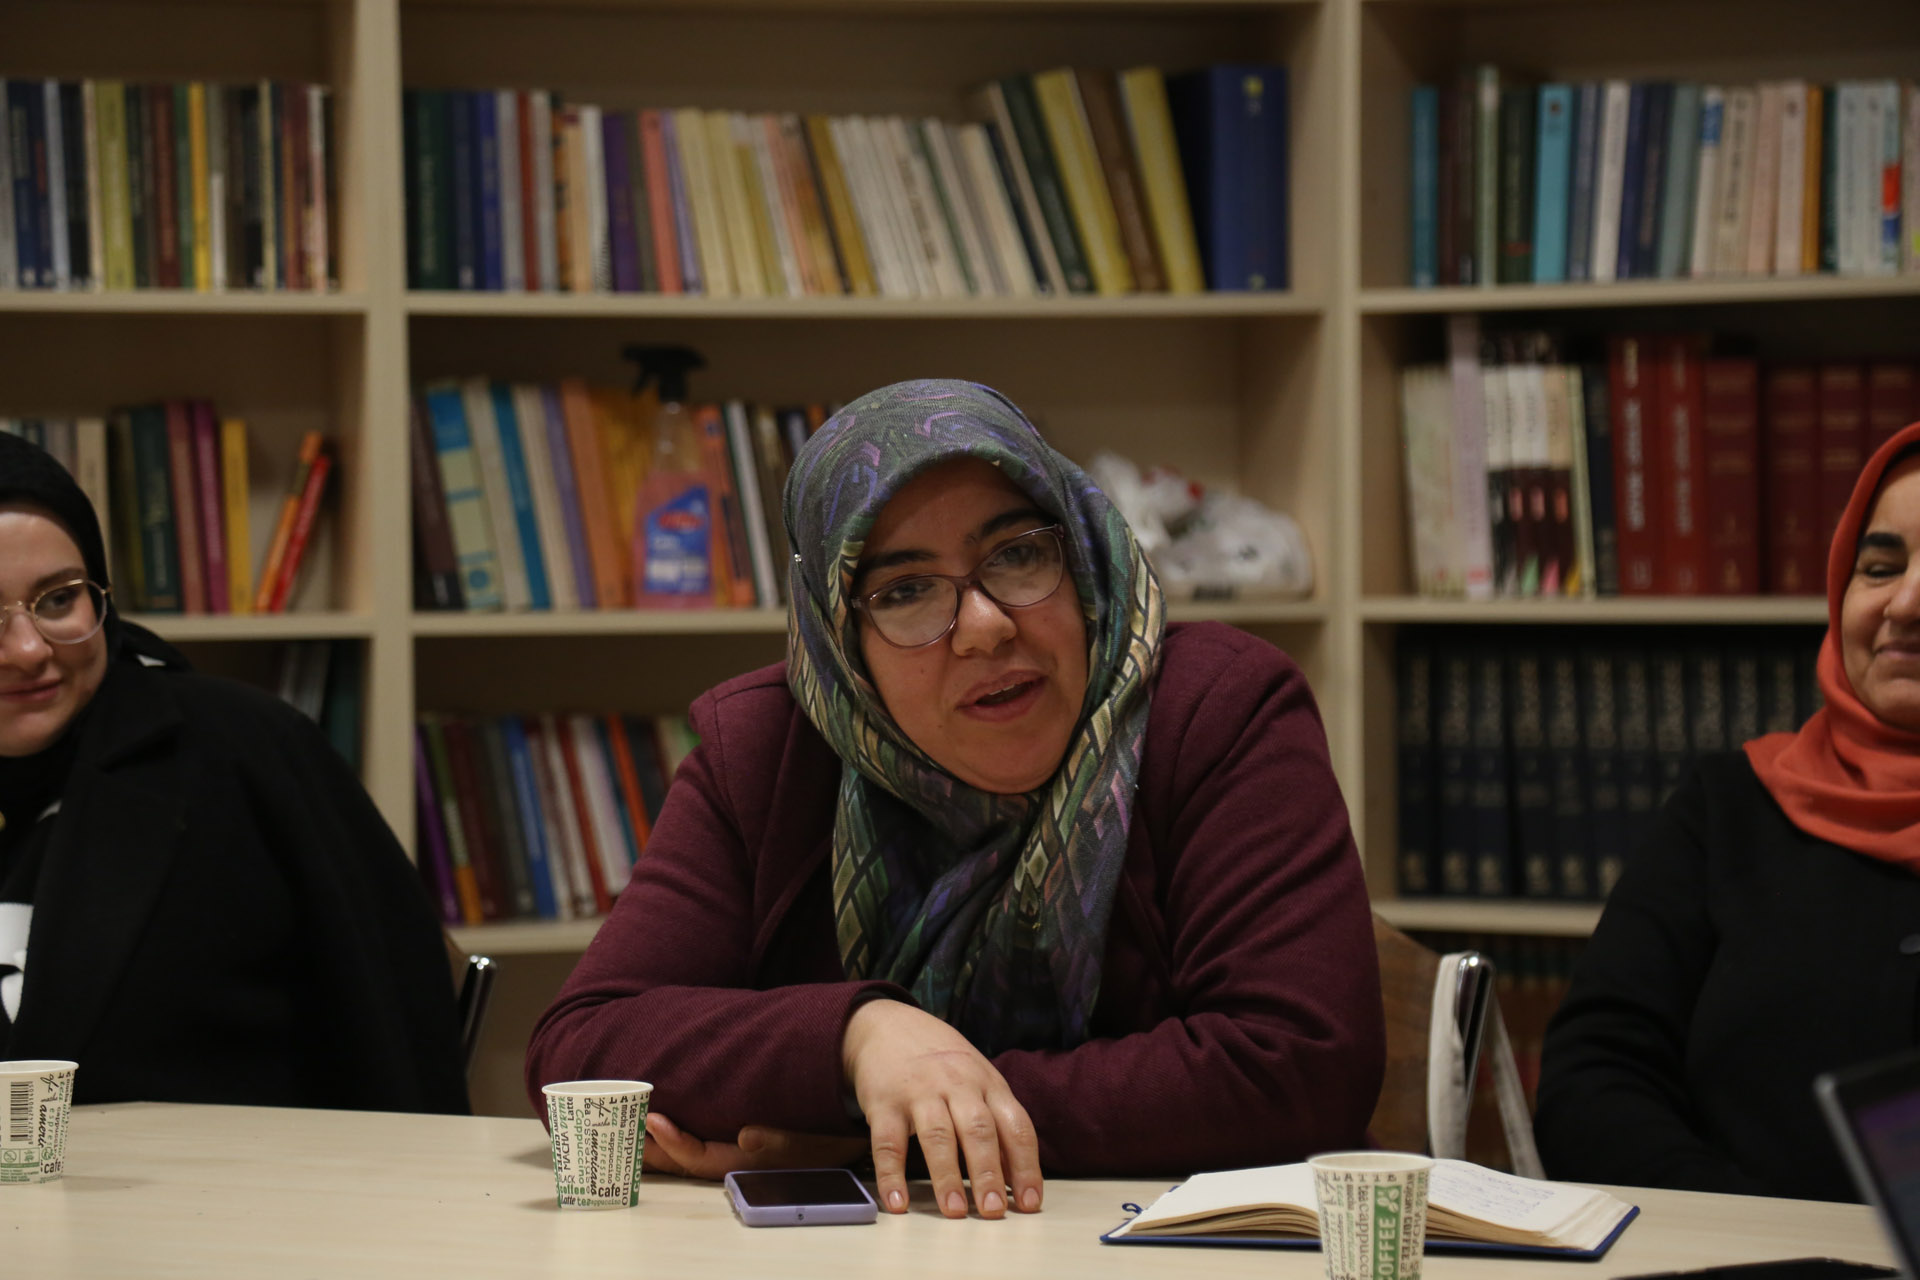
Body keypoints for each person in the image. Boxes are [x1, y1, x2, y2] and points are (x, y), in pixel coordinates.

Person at [525, 379, 1383, 1219]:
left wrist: (887, 1119)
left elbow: (1302, 1069)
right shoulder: (769, 751)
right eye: (905, 591)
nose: (984, 626)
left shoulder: (1218, 709)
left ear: (1082, 554)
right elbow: (583, 1047)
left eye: (1016, 555)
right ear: (841, 639)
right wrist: (860, 1035)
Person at [0, 432, 469, 1114]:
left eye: (57, 600)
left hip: (243, 1178)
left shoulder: (249, 751)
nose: (28, 649)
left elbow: (397, 1034)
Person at [1535, 418, 1920, 1202]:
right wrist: (1738, 1223)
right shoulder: (1730, 805)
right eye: (1880, 568)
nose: (1907, 603)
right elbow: (1592, 1078)